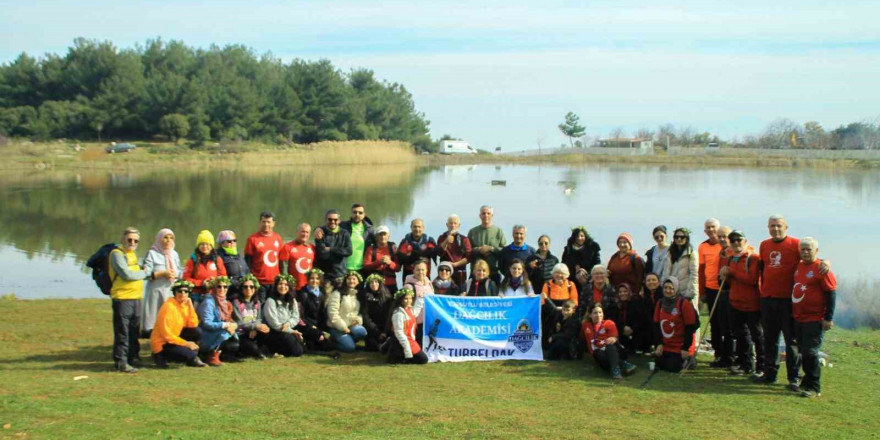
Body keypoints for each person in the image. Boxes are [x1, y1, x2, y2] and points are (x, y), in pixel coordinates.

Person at [757, 214, 829, 388]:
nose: (775, 229)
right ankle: (770, 373)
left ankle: (793, 378)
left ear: (786, 227)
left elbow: (810, 257)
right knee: (770, 339)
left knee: (791, 342)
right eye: (772, 226)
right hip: (768, 299)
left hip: (788, 301)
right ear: (768, 227)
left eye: (779, 225)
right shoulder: (764, 245)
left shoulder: (795, 244)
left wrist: (825, 261)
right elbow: (762, 267)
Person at [791, 237, 837, 398]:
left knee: (811, 352)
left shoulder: (821, 269)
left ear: (816, 251)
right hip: (799, 317)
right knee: (804, 352)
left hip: (815, 318)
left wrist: (828, 318)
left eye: (808, 249)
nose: (805, 252)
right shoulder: (800, 265)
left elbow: (831, 294)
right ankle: (806, 382)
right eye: (802, 249)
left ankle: (814, 387)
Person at [719, 230, 764, 376]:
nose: (736, 243)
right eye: (733, 241)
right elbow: (728, 282)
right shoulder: (731, 259)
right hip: (735, 303)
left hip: (752, 304)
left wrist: (731, 272)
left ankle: (761, 366)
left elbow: (751, 279)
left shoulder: (753, 258)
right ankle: (745, 364)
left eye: (739, 240)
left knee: (757, 336)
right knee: (740, 335)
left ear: (745, 241)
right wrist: (722, 275)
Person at [109, 227, 151, 373]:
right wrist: (144, 273)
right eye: (130, 239)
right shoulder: (116, 254)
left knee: (134, 331)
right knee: (123, 331)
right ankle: (121, 362)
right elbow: (126, 274)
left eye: (135, 241)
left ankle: (133, 358)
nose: (132, 242)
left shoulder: (132, 254)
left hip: (136, 298)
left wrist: (143, 272)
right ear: (123, 239)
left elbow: (137, 272)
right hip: (122, 298)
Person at [150, 280, 207, 368]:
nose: (183, 294)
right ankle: (159, 356)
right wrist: (186, 344)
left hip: (175, 337)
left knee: (197, 331)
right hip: (163, 343)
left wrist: (191, 306)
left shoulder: (184, 305)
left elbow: (193, 325)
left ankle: (190, 357)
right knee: (191, 353)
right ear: (174, 293)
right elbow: (167, 336)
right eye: (179, 291)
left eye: (186, 291)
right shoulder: (168, 307)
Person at [141, 228, 182, 338]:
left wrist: (176, 274)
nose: (168, 240)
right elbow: (146, 274)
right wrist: (162, 273)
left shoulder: (174, 254)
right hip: (155, 292)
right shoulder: (152, 253)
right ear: (159, 239)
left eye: (171, 238)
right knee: (154, 321)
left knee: (168, 318)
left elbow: (179, 271)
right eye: (165, 237)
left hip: (170, 291)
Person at [652, 276, 698, 373]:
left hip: (680, 345)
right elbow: (656, 325)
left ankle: (689, 358)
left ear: (676, 289)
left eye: (671, 288)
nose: (667, 291)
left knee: (673, 368)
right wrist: (659, 344)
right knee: (659, 365)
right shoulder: (660, 303)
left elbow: (690, 327)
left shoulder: (684, 304)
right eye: (665, 288)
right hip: (667, 345)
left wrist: (685, 348)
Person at [582, 304, 636, 380]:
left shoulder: (609, 323)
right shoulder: (585, 325)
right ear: (590, 315)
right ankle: (624, 364)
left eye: (600, 312)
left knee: (610, 344)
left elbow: (614, 338)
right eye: (595, 313)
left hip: (616, 350)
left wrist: (613, 339)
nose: (598, 315)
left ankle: (616, 372)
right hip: (600, 355)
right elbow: (582, 338)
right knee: (598, 353)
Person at [708, 226, 735, 368]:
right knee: (722, 326)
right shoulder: (722, 252)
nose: (723, 239)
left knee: (731, 328)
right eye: (720, 237)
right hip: (722, 292)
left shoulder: (734, 252)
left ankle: (732, 357)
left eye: (725, 236)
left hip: (733, 293)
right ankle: (725, 356)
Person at [197, 276, 240, 366]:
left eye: (225, 287)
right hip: (205, 334)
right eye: (219, 286)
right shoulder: (208, 302)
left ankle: (219, 355)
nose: (222, 289)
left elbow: (229, 319)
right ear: (213, 288)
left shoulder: (225, 302)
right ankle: (211, 357)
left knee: (235, 343)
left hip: (218, 331)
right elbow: (206, 324)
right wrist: (225, 325)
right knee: (225, 333)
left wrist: (233, 325)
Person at [263, 274, 305, 357]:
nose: (283, 287)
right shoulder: (270, 301)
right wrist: (291, 331)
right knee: (298, 351)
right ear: (276, 286)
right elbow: (274, 324)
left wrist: (289, 323)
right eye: (280, 284)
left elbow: (296, 317)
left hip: (289, 328)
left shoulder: (292, 300)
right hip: (276, 332)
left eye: (286, 284)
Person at [245, 211, 283, 302]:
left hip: (274, 282)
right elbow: (247, 262)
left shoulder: (278, 238)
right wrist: (251, 280)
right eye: (264, 222)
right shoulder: (252, 239)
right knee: (261, 306)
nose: (266, 224)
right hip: (259, 282)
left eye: (268, 222)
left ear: (273, 223)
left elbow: (281, 261)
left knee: (274, 306)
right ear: (260, 223)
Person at [295, 269, 336, 353]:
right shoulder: (303, 294)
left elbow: (322, 314)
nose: (314, 281)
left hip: (317, 325)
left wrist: (321, 328)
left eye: (317, 278)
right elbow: (300, 315)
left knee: (329, 346)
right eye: (312, 278)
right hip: (305, 325)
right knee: (319, 340)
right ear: (308, 279)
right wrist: (311, 326)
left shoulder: (321, 293)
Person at [231, 274, 270, 360]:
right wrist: (254, 326)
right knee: (252, 348)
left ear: (255, 289)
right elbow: (239, 323)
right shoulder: (236, 302)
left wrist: (255, 328)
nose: (248, 289)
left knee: (266, 330)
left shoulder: (257, 302)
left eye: (251, 287)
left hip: (253, 331)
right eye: (245, 287)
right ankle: (255, 352)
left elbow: (259, 319)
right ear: (241, 289)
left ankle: (256, 351)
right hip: (241, 334)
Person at [326, 271, 367, 353]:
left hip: (351, 326)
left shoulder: (358, 295)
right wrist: (343, 327)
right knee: (349, 348)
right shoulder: (337, 294)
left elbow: (359, 312)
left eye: (354, 279)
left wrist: (358, 320)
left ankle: (348, 340)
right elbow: (332, 313)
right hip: (337, 327)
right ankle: (333, 341)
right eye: (349, 279)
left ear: (358, 281)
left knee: (362, 332)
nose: (351, 281)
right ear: (345, 280)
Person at [183, 230, 227, 305]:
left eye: (207, 244)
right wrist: (201, 283)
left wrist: (215, 281)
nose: (205, 246)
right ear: (198, 246)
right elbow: (186, 278)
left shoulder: (217, 260)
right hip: (196, 295)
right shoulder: (193, 260)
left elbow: (223, 277)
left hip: (214, 294)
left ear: (211, 246)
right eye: (202, 244)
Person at [386, 288, 429, 364]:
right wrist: (407, 349)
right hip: (403, 340)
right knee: (423, 360)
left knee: (423, 359)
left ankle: (388, 345)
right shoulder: (398, 314)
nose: (409, 301)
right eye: (406, 299)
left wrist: (420, 298)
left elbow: (415, 312)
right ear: (400, 300)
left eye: (410, 298)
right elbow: (399, 333)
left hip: (410, 340)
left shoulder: (408, 309)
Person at [608, 282, 652, 356]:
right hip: (622, 331)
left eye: (625, 291)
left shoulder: (636, 302)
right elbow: (614, 321)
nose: (623, 294)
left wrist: (632, 329)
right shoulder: (615, 305)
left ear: (629, 292)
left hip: (636, 331)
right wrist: (623, 328)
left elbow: (642, 319)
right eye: (620, 292)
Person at [467, 205, 507, 284]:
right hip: (476, 274)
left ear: (492, 215)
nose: (486, 215)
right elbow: (468, 250)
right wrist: (479, 249)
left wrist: (491, 249)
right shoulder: (472, 231)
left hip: (493, 273)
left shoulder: (498, 231)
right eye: (483, 213)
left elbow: (504, 250)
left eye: (488, 213)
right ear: (480, 216)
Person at [314, 209, 353, 287]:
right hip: (324, 275)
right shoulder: (320, 233)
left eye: (335, 219)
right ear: (326, 220)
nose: (332, 221)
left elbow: (349, 251)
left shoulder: (345, 233)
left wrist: (331, 249)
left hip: (340, 274)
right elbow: (323, 254)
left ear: (339, 221)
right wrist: (340, 252)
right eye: (330, 219)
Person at [660, 227, 699, 301]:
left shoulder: (691, 253)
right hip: (672, 290)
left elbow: (694, 274)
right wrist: (664, 287)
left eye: (682, 237)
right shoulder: (670, 253)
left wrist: (690, 292)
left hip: (686, 290)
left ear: (687, 238)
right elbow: (666, 272)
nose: (679, 239)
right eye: (676, 237)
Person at [359, 273, 393, 351]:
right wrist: (377, 332)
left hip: (385, 328)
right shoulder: (364, 296)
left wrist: (385, 332)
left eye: (376, 282)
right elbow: (366, 317)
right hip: (372, 329)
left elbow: (389, 316)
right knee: (372, 347)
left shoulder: (387, 296)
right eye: (371, 282)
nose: (374, 284)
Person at [437, 214, 472, 288]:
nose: (453, 225)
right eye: (451, 223)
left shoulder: (464, 239)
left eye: (455, 223)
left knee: (459, 292)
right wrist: (446, 240)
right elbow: (439, 253)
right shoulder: (441, 238)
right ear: (447, 224)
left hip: (459, 272)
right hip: (445, 271)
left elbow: (469, 257)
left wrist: (456, 264)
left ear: (459, 225)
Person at [362, 225, 400, 293]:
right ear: (376, 237)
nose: (383, 237)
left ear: (388, 236)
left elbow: (398, 268)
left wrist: (390, 263)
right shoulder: (371, 249)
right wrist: (379, 262)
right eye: (380, 235)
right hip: (375, 285)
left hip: (390, 283)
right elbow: (366, 266)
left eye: (385, 234)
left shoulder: (393, 248)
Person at [607, 233, 646, 298]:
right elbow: (609, 272)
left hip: (631, 294)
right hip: (616, 294)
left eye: (625, 242)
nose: (622, 245)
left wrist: (636, 294)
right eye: (620, 242)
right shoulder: (614, 257)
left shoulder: (635, 258)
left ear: (630, 244)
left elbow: (640, 277)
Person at [279, 223, 316, 291]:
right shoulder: (287, 247)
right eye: (303, 231)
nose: (305, 234)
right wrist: (288, 284)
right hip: (293, 287)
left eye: (307, 232)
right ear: (297, 232)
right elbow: (283, 269)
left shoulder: (312, 248)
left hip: (308, 287)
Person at [340, 203, 375, 274]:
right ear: (351, 214)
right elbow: (328, 227)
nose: (357, 214)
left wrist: (391, 245)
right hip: (344, 268)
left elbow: (379, 244)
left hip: (362, 269)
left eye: (360, 213)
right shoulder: (343, 226)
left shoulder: (370, 229)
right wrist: (318, 228)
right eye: (355, 212)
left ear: (364, 214)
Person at [216, 230, 250, 298]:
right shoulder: (218, 256)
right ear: (221, 243)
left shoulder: (239, 255)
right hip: (229, 294)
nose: (232, 243)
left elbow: (247, 271)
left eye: (234, 241)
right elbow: (220, 277)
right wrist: (237, 283)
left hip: (242, 292)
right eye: (229, 241)